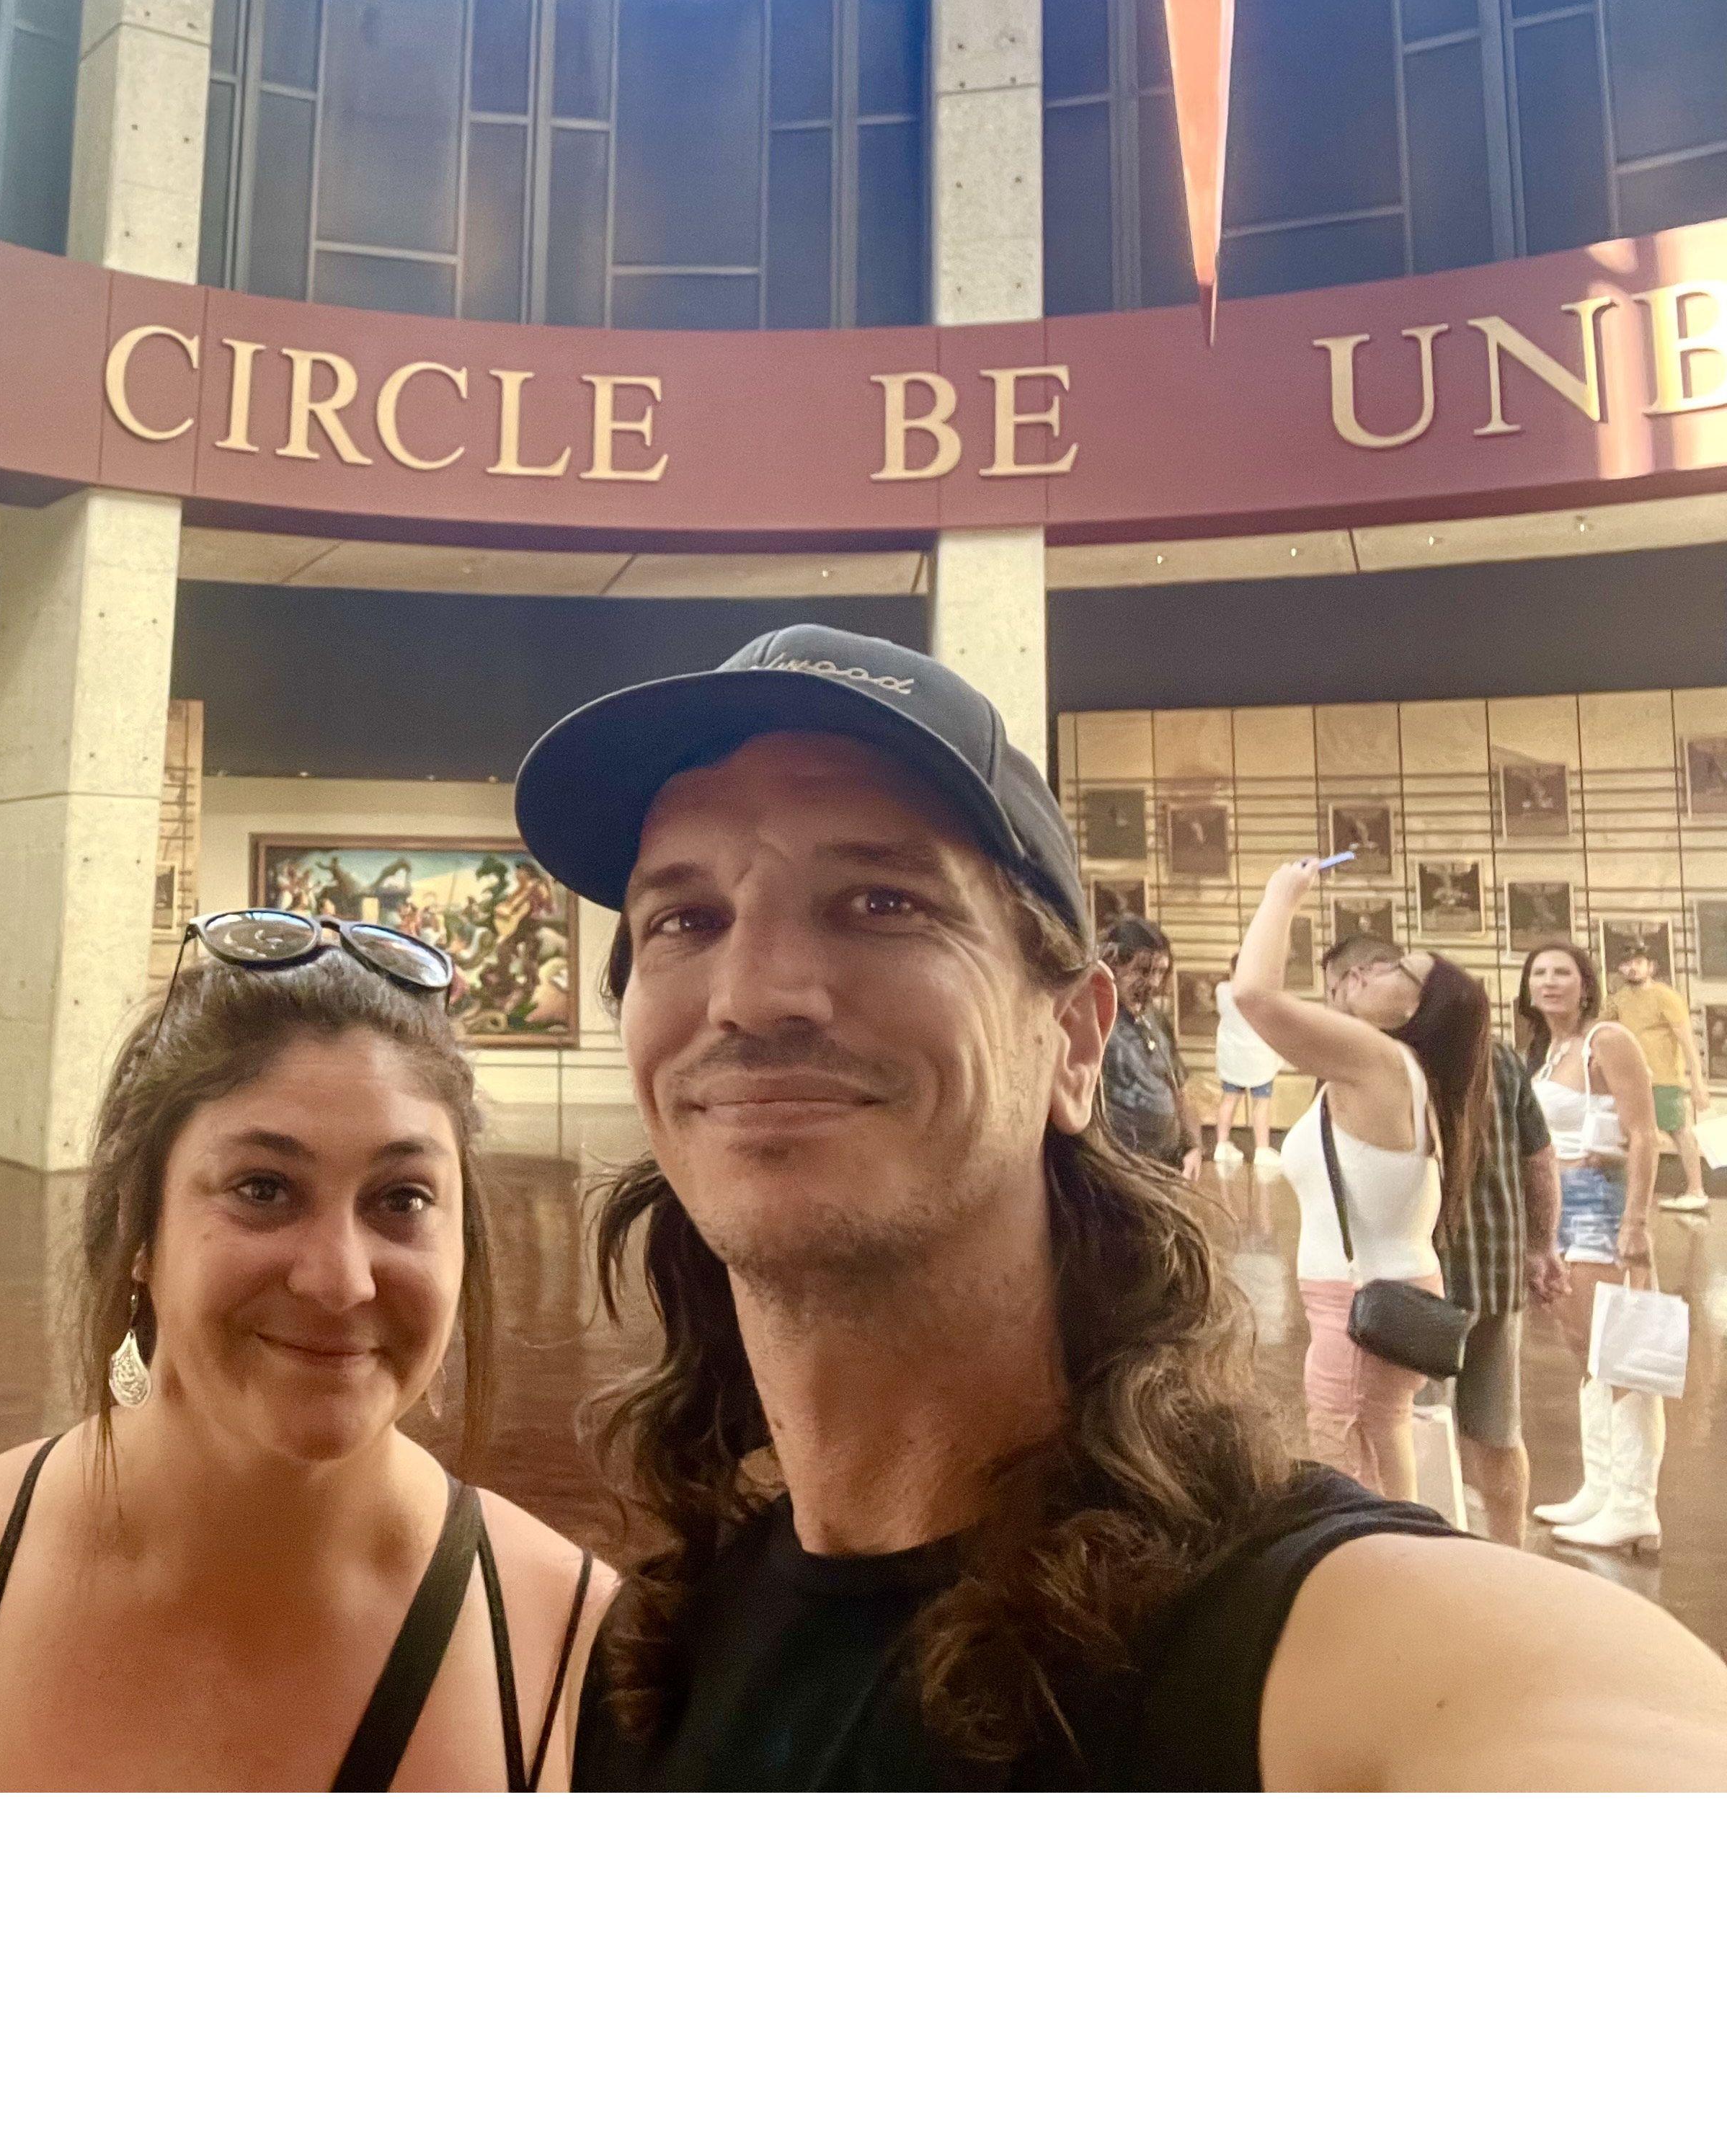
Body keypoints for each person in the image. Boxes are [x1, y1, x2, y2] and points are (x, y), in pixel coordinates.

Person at [511, 621, 1727, 1788]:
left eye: (882, 902)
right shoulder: (647, 1663)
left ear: (1077, 1039)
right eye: (685, 918)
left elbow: (1571, 1722)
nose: (753, 991)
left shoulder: (1312, 1643)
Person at [0, 913, 611, 1790]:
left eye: (403, 1199)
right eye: (264, 1189)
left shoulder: (575, 1648)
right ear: (139, 1228)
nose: (340, 1281)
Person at [1238, 916, 1487, 1506]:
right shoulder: (1400, 1071)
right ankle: (1406, 1557)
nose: (1370, 970)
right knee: (1383, 1464)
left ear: (1420, 1010)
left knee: (1348, 1478)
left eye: (1397, 970)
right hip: (1378, 1295)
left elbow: (1253, 996)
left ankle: (1380, 1561)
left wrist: (1285, 891)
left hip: (1359, 1305)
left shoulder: (1381, 1062)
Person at [1407, 946, 1563, 1546]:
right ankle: (1507, 1551)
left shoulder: (1393, 1060)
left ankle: (1433, 1560)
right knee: (1498, 1431)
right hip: (1494, 1272)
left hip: (1419, 1278)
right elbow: (1539, 1159)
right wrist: (1541, 1247)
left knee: (1417, 1429)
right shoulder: (1500, 1059)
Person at [1518, 943, 1669, 1554]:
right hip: (1559, 1205)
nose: (1550, 982)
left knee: (1620, 1351)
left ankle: (1634, 1505)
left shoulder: (1607, 1040)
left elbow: (1645, 1135)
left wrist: (1635, 1220)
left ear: (1586, 984)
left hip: (1599, 1201)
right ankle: (1601, 1487)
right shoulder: (1550, 1052)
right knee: (1584, 1348)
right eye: (1539, 973)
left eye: (1563, 972)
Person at [1606, 943, 1709, 1216]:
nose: (1632, 968)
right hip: (1632, 1079)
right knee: (1635, 1135)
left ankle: (1696, 1190)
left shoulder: (1666, 997)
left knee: (1679, 1130)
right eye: (1627, 963)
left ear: (1650, 967)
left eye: (1638, 962)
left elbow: (1687, 1042)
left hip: (1665, 1077)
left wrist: (1697, 1082)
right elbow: (1602, 1030)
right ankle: (1638, 1195)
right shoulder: (1617, 999)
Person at [1098, 917, 1197, 1179]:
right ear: (1113, 965)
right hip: (1116, 1169)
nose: (1153, 982)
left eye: (1160, 972)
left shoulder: (1156, 1018)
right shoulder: (1093, 1018)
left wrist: (1193, 1145)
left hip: (1166, 1165)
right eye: (1143, 970)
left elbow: (1178, 1087)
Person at [1207, 963, 1284, 1171]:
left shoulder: (1223, 991)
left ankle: (1221, 1145)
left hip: (1233, 1058)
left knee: (1229, 1100)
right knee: (1261, 1104)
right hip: (1260, 1057)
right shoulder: (1263, 993)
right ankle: (1262, 1150)